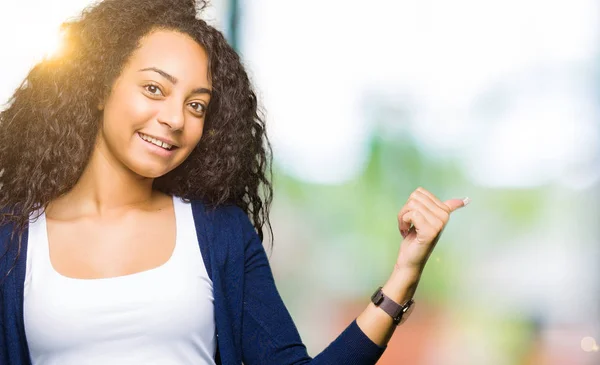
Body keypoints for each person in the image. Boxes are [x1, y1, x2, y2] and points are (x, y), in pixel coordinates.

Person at [0, 0, 469, 364]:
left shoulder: (220, 234)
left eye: (196, 104)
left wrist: (404, 273)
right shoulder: (13, 242)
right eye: (154, 89)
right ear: (101, 88)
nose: (174, 119)